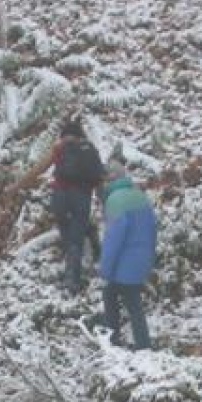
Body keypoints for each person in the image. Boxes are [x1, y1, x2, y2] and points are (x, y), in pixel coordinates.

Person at [99, 166, 157, 350]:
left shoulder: (115, 201)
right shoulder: (139, 195)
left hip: (125, 261)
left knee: (124, 299)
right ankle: (128, 340)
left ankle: (131, 343)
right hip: (143, 258)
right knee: (120, 295)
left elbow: (114, 238)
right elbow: (153, 227)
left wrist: (105, 267)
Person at [49, 117, 104, 294]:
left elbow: (48, 169)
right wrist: (104, 200)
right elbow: (98, 176)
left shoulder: (60, 148)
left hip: (60, 197)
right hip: (81, 196)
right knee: (77, 234)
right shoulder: (89, 150)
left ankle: (70, 275)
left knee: (67, 233)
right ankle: (73, 277)